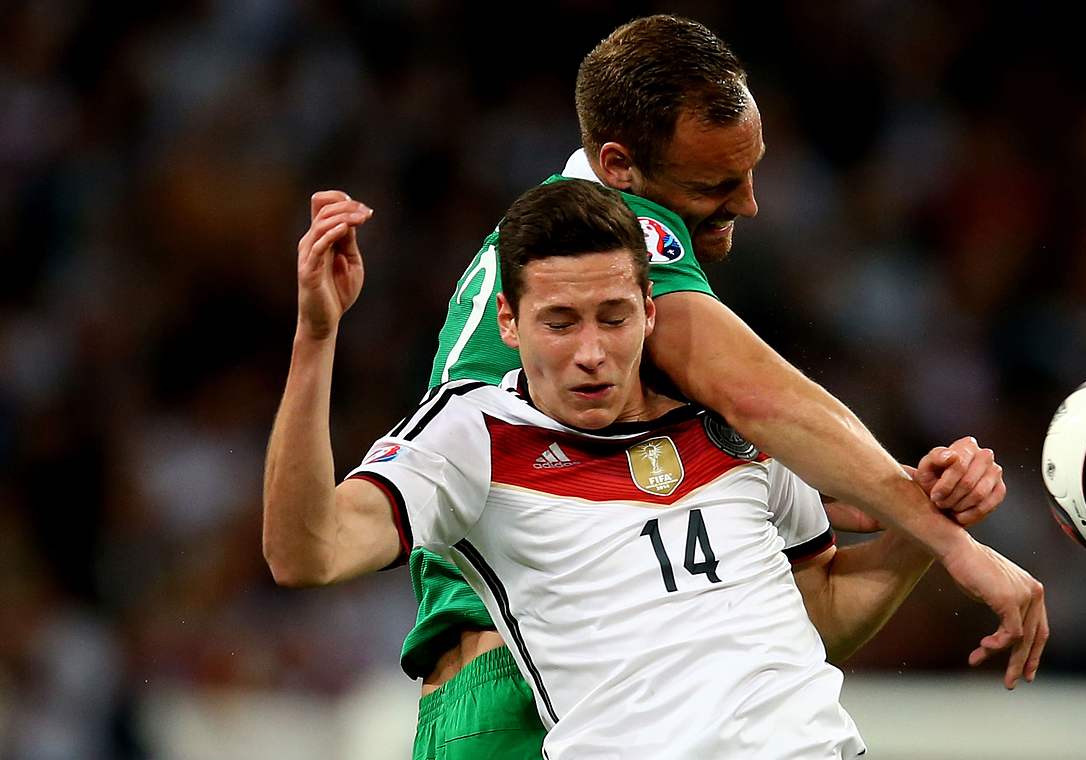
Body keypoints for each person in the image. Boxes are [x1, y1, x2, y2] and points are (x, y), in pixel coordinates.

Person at [265, 14, 1044, 760]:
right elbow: (762, 395)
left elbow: (803, 609)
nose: (747, 202)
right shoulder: (620, 235)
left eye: (752, 170)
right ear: (618, 170)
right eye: (715, 182)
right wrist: (950, 541)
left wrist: (907, 510)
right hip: (519, 674)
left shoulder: (686, 404)